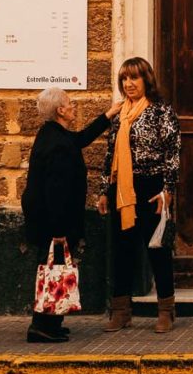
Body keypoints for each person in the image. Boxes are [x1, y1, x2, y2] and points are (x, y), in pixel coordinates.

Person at [21, 87, 121, 343]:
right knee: (52, 273)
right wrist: (58, 230)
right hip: (53, 222)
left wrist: (108, 114)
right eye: (70, 103)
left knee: (54, 271)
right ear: (60, 110)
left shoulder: (53, 134)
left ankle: (51, 323)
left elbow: (81, 139)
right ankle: (41, 326)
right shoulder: (57, 144)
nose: (73, 105)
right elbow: (55, 191)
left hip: (47, 221)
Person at [98, 56, 181, 333]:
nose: (129, 83)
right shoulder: (119, 114)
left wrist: (167, 190)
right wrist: (103, 191)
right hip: (121, 187)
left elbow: (172, 153)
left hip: (151, 187)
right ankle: (121, 311)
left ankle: (166, 310)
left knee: (157, 250)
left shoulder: (161, 112)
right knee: (122, 252)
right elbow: (110, 154)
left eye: (134, 77)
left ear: (146, 79)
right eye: (124, 78)